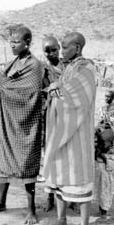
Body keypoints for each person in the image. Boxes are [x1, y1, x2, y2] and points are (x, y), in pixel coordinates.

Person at [0, 26, 44, 225]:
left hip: (25, 123)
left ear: (27, 42)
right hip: (7, 120)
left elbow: (31, 92)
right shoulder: (13, 62)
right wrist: (1, 81)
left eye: (16, 42)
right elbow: (8, 82)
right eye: (10, 41)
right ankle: (1, 201)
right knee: (2, 158)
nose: (12, 45)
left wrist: (3, 81)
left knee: (25, 161)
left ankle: (31, 209)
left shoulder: (34, 65)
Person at [43, 32, 96, 225]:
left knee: (79, 177)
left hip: (78, 132)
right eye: (61, 47)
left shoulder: (87, 68)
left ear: (78, 48)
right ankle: (61, 218)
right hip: (61, 128)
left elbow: (78, 95)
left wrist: (56, 89)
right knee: (59, 172)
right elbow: (60, 90)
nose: (62, 51)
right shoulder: (68, 67)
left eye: (66, 47)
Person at [41, 36, 65, 212]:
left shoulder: (69, 67)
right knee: (50, 156)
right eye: (46, 50)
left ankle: (70, 198)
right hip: (50, 116)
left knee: (67, 156)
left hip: (68, 116)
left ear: (59, 48)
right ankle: (50, 197)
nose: (50, 53)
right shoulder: (42, 70)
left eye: (53, 49)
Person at [94, 125, 114, 218]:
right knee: (103, 194)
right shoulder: (104, 154)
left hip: (102, 179)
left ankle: (102, 211)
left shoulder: (104, 154)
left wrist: (105, 158)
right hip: (102, 179)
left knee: (103, 194)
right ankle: (103, 212)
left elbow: (111, 167)